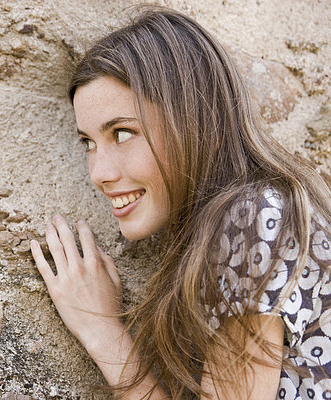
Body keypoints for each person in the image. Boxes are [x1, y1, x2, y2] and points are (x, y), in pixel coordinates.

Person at [29, 5, 331, 400]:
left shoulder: (255, 217)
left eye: (121, 133)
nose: (98, 173)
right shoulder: (250, 217)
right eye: (88, 143)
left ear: (193, 122)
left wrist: (101, 329)